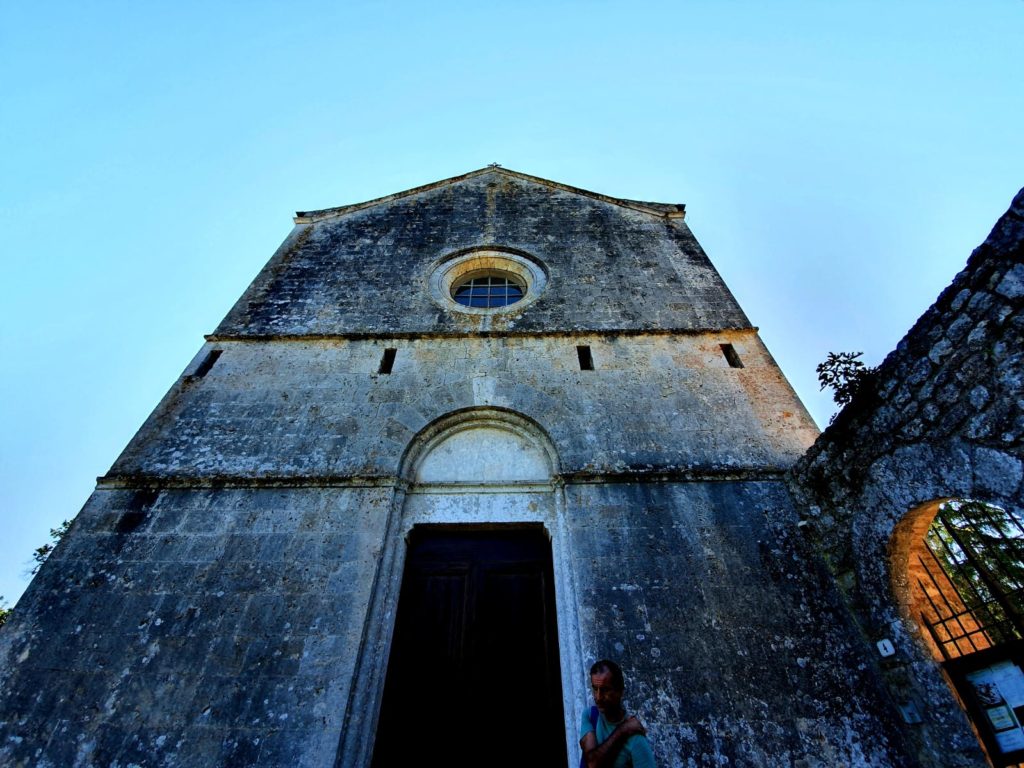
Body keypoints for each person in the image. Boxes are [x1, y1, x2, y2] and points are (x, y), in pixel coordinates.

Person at [579, 659, 656, 768]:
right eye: (595, 689)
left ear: (620, 691)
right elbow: (592, 763)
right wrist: (623, 730)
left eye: (605, 690)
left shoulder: (636, 738)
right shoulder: (590, 715)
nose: (598, 697)